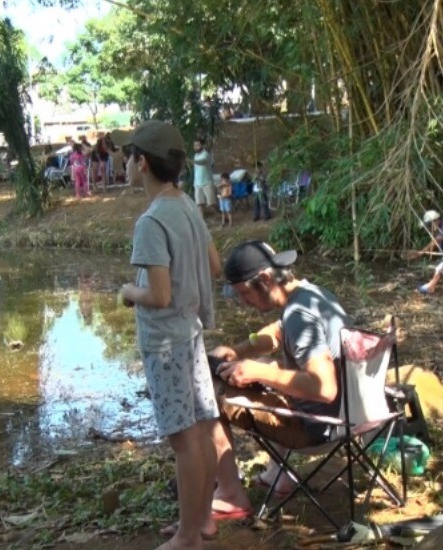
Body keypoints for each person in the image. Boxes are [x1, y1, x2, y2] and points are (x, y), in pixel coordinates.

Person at [116, 120, 222, 550]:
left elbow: (158, 295)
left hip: (165, 343)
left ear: (142, 163)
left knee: (183, 440)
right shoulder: (187, 205)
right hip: (190, 334)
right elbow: (214, 265)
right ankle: (202, 519)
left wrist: (129, 292)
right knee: (201, 431)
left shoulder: (151, 221)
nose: (126, 163)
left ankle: (188, 536)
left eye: (129, 156)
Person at [208, 240, 352, 519]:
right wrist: (238, 351)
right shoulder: (312, 294)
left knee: (209, 394)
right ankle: (279, 473)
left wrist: (260, 372)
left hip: (317, 427)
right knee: (265, 368)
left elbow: (324, 388)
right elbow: (277, 332)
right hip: (349, 415)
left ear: (265, 279)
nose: (243, 302)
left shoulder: (299, 315)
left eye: (245, 293)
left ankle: (230, 494)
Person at [192, 137, 216, 216]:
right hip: (197, 184)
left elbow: (202, 162)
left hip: (207, 182)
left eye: (198, 145)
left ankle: (217, 217)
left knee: (211, 205)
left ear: (202, 145)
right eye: (195, 145)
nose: (196, 147)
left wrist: (190, 161)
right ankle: (201, 221)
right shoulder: (195, 155)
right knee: (199, 204)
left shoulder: (206, 154)